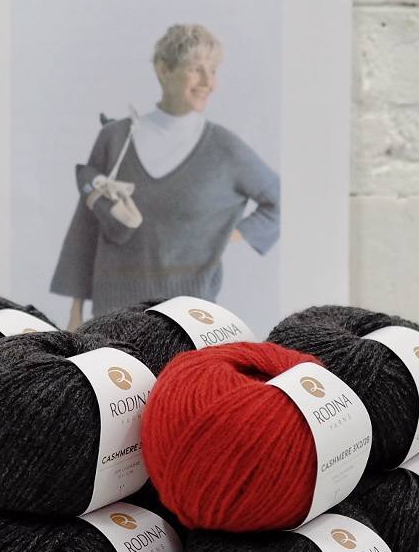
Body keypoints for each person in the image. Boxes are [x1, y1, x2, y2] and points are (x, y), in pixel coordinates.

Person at [50, 23, 280, 329]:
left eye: (213, 70)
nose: (208, 82)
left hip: (188, 324)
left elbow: (279, 201)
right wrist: (75, 311)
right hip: (111, 319)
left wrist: (221, 236)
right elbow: (86, 226)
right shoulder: (115, 138)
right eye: (196, 69)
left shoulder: (225, 149)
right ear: (164, 69)